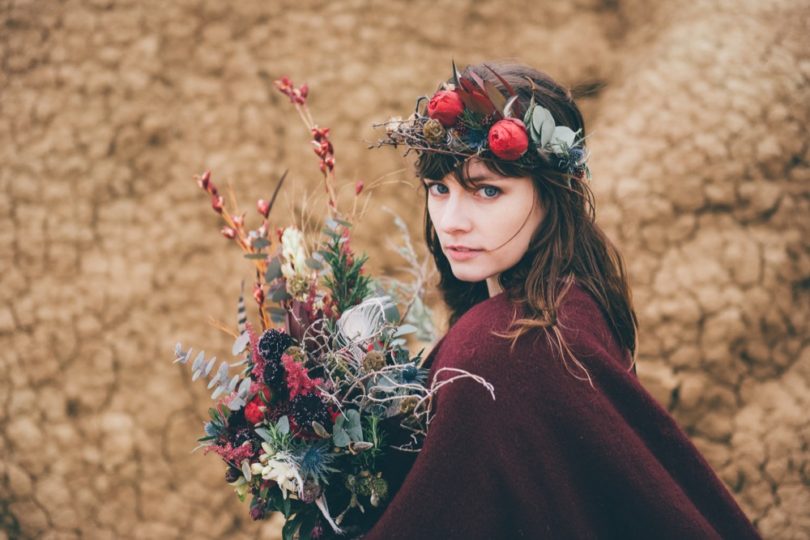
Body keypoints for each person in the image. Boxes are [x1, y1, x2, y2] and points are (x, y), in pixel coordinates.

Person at [362, 62, 761, 539]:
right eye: (439, 189)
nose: (451, 221)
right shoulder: (570, 302)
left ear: (552, 196)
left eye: (487, 190)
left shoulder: (499, 347)